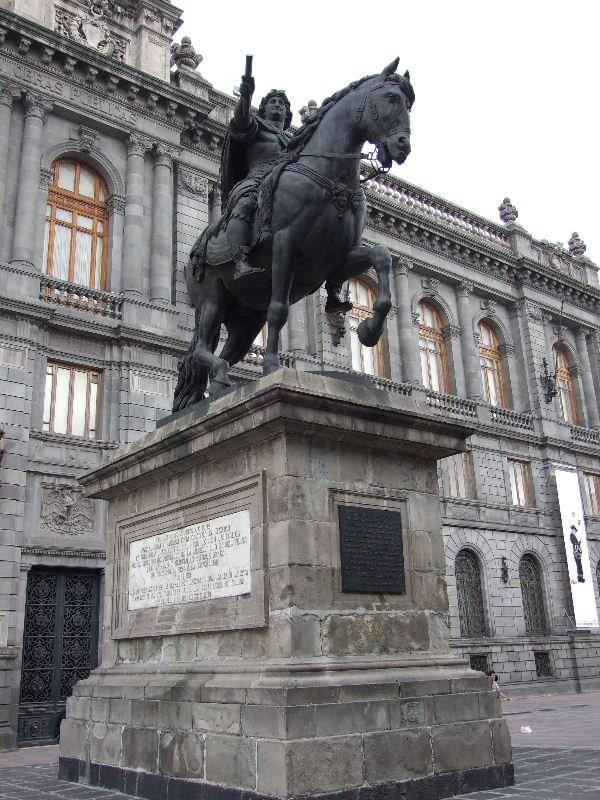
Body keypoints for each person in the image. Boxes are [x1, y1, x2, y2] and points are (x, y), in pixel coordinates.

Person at [219, 65, 352, 312]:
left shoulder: (294, 142)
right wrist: (246, 97)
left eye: (282, 103)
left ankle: (333, 286)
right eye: (273, 102)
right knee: (245, 205)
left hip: (286, 187)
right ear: (265, 107)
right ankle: (240, 260)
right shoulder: (256, 128)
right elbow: (240, 123)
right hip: (256, 181)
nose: (278, 106)